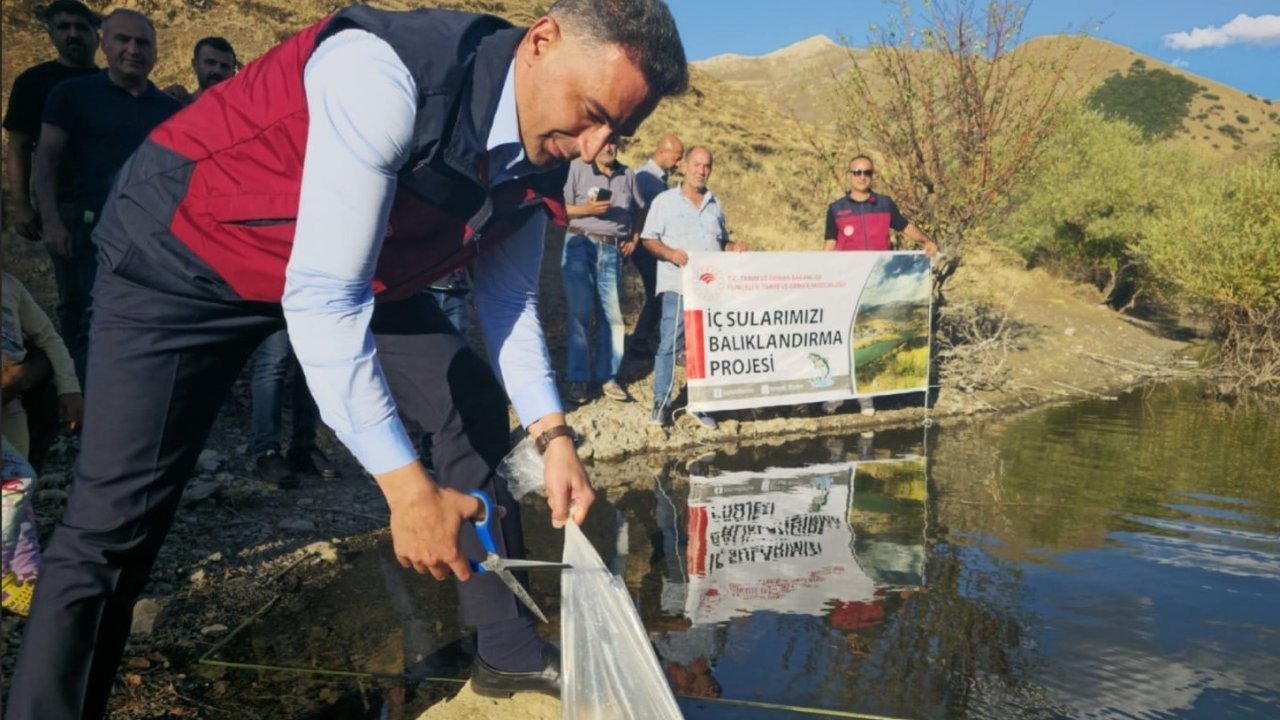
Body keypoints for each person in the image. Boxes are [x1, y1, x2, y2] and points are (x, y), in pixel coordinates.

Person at [4, 2, 686, 717]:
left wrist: (554, 436)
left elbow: (508, 301)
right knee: (114, 521)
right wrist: (406, 491)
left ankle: (505, 650)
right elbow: (323, 303)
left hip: (359, 266)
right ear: (542, 40)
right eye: (592, 111)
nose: (593, 146)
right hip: (185, 253)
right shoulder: (386, 75)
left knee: (471, 400)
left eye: (619, 132)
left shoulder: (544, 157)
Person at [31, 8, 182, 385]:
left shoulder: (168, 111)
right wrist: (50, 219)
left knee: (148, 321)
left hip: (149, 237)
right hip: (90, 229)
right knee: (90, 320)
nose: (133, 49)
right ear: (105, 44)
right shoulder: (72, 95)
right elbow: (45, 160)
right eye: (123, 40)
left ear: (156, 50)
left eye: (143, 42)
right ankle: (85, 412)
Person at [823, 154, 937, 416]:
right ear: (849, 175)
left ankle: (866, 398)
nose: (862, 177)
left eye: (867, 172)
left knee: (864, 340)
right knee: (843, 340)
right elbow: (829, 244)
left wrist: (926, 241)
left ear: (872, 175)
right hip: (847, 285)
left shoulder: (885, 204)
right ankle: (837, 396)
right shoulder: (836, 209)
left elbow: (906, 226)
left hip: (876, 285)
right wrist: (821, 276)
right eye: (857, 172)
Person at [641, 146, 745, 429]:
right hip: (677, 285)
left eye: (707, 166)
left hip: (709, 291)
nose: (702, 170)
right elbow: (648, 239)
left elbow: (721, 242)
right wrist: (671, 253)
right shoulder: (664, 201)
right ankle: (660, 405)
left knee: (705, 347)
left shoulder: (715, 204)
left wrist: (733, 247)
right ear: (684, 166)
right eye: (697, 164)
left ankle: (700, 405)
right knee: (669, 345)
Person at [2, 0, 100, 242]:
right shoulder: (33, 82)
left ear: (96, 36)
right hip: (61, 203)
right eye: (64, 27)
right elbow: (18, 146)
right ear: (51, 35)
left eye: (81, 27)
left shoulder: (108, 82)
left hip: (103, 199)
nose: (74, 34)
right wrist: (22, 206)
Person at [561, 139, 645, 404]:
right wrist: (586, 209)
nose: (609, 147)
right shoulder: (576, 168)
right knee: (579, 313)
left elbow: (641, 209)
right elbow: (559, 209)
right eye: (605, 143)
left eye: (614, 143)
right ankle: (578, 380)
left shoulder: (627, 174)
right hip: (579, 244)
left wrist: (635, 238)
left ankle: (608, 377)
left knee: (613, 317)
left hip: (612, 251)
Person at [2, 270, 84, 458]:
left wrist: (69, 387)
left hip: (10, 402)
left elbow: (48, 338)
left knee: (18, 474)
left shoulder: (10, 286)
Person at [627, 131, 683, 358]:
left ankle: (645, 340)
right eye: (677, 157)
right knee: (658, 293)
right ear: (662, 152)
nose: (679, 162)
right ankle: (640, 342)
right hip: (644, 245)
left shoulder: (657, 179)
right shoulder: (644, 178)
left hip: (651, 244)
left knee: (658, 293)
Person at [164, 36, 238, 104]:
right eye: (210, 63)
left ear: (233, 74)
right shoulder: (177, 106)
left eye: (224, 66)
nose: (217, 70)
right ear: (195, 65)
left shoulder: (240, 113)